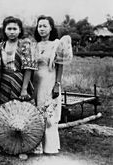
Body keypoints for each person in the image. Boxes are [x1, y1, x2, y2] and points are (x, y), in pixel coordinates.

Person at [32, 15, 73, 154]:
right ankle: (36, 146)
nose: (42, 29)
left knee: (49, 114)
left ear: (51, 28)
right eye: (39, 26)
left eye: (45, 26)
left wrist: (57, 84)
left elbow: (60, 66)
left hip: (50, 81)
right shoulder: (34, 45)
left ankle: (50, 147)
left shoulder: (56, 44)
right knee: (36, 113)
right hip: (35, 82)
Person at [0, 16, 37, 104]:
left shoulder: (24, 45)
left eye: (14, 29)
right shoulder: (1, 46)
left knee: (21, 110)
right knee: (6, 111)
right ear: (4, 30)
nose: (12, 32)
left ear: (20, 30)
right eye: (9, 29)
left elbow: (28, 69)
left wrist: (24, 89)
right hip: (4, 83)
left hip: (20, 82)